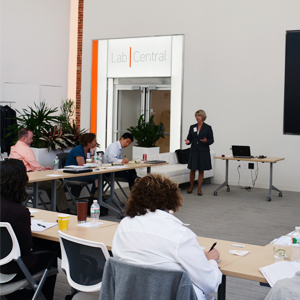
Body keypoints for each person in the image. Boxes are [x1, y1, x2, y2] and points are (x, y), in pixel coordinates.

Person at [112, 174, 222, 300]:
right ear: (171, 200)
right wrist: (212, 260)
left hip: (129, 294)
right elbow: (210, 284)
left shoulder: (124, 225)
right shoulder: (180, 234)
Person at [0, 159, 58, 300]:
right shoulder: (19, 212)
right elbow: (26, 249)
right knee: (53, 253)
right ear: (20, 182)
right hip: (10, 269)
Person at [8, 128, 70, 213]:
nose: (32, 140)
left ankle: (56, 207)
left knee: (51, 183)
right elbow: (33, 164)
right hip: (27, 177)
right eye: (30, 138)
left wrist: (42, 168)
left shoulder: (14, 147)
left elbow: (30, 164)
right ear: (24, 139)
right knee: (56, 183)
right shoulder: (24, 148)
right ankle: (64, 210)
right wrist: (42, 169)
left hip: (17, 177)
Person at [185, 109, 214, 196]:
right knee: (192, 170)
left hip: (203, 151)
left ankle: (199, 189)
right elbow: (189, 138)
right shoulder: (192, 127)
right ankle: (191, 187)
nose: (197, 117)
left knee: (201, 170)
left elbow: (211, 140)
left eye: (199, 116)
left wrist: (206, 141)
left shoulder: (208, 127)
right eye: (196, 116)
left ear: (203, 117)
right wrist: (188, 142)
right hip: (194, 151)